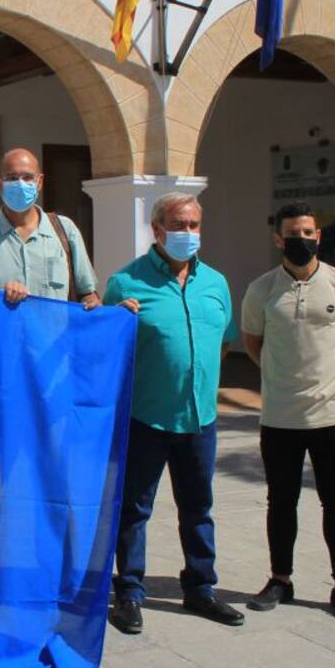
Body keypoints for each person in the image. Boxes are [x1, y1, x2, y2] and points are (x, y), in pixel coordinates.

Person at [103, 193, 244, 635]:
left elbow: (223, 342)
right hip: (147, 417)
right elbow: (107, 349)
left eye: (195, 225)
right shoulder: (126, 283)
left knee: (198, 506)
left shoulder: (216, 283)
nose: (189, 234)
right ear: (157, 229)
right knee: (135, 509)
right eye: (180, 225)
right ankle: (129, 593)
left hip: (199, 418)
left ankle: (200, 588)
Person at [241, 202, 335, 626]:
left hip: (333, 415)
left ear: (319, 236)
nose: (303, 240)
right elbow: (253, 345)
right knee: (281, 501)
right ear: (278, 238)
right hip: (279, 417)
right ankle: (281, 579)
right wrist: (282, 380)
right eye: (294, 234)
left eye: (310, 233)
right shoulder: (261, 290)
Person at [0, 148, 100, 308]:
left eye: (28, 177)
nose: (20, 184)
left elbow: (88, 295)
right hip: (0, 333)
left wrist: (94, 305)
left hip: (52, 333)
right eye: (12, 178)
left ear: (39, 182)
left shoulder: (65, 231)